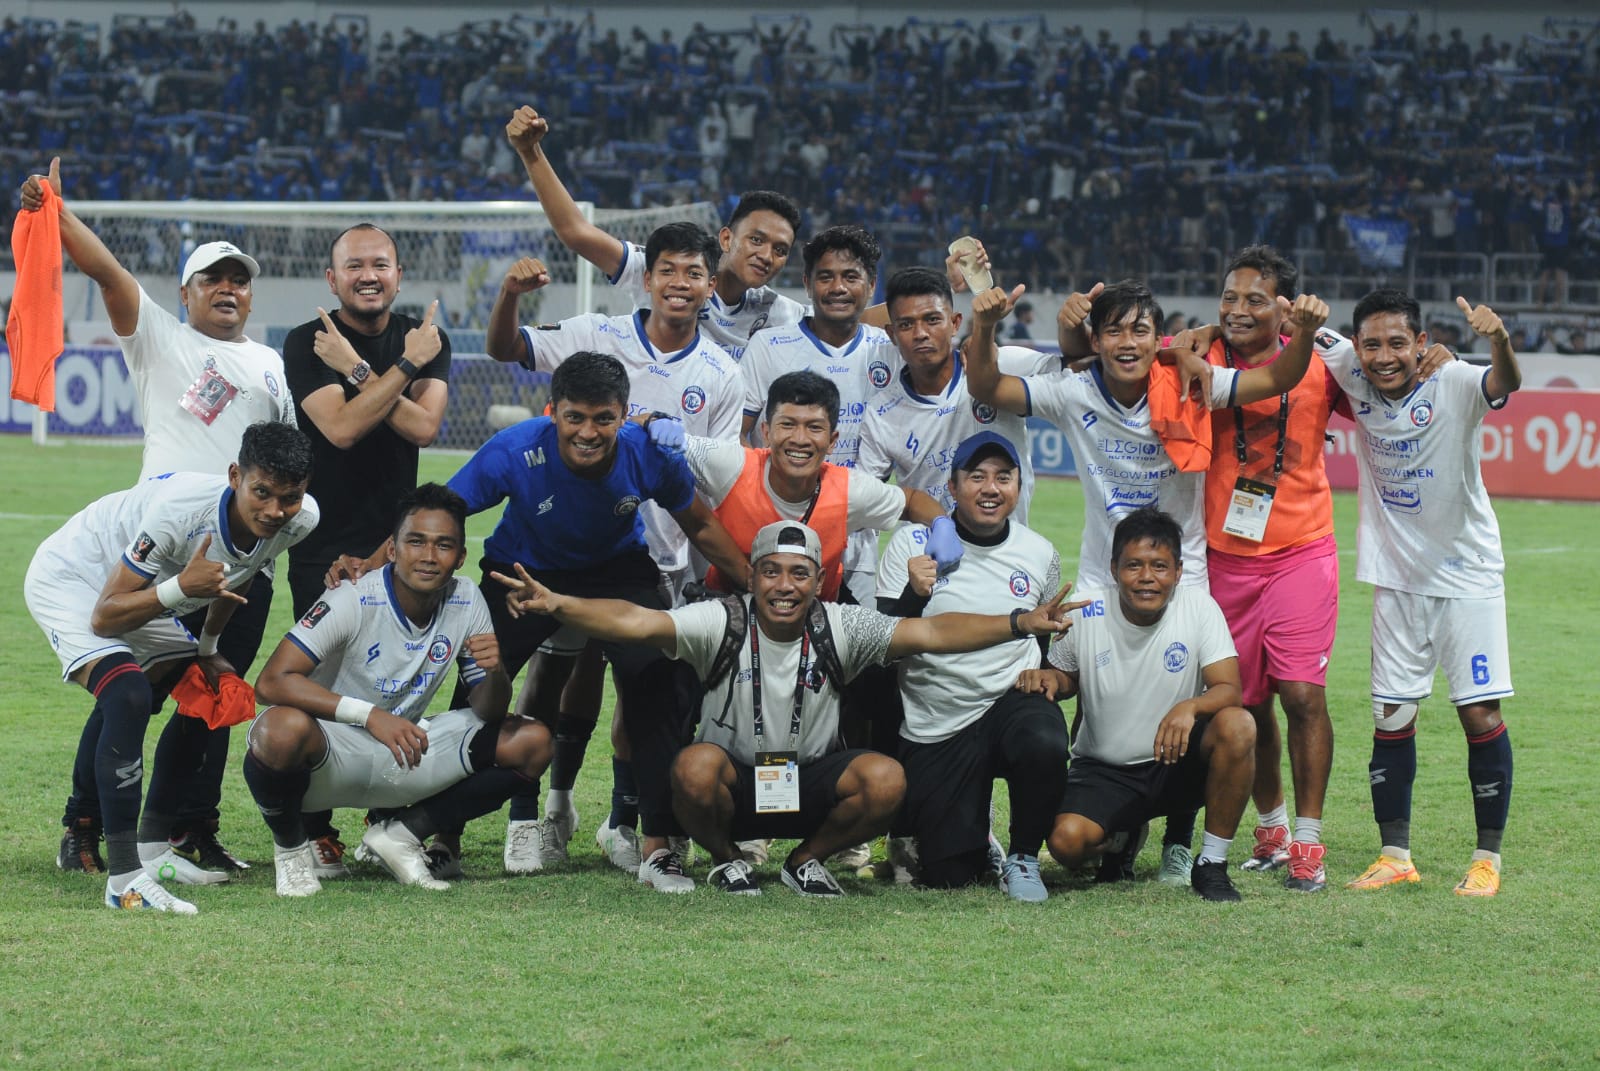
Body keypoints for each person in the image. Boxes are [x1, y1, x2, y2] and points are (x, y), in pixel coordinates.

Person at [495, 520, 1081, 896]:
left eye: (799, 573)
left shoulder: (840, 625)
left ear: (818, 580)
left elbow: (931, 633)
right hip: (737, 789)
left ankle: (806, 861)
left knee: (885, 778)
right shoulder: (721, 619)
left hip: (808, 788)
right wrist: (559, 603)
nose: (784, 585)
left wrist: (1017, 623)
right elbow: (637, 620)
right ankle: (727, 860)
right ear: (750, 576)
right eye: (770, 571)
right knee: (692, 767)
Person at [966, 278, 1325, 883]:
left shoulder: (1188, 382)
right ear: (1096, 340)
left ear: (1155, 337)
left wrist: (1307, 333)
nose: (1127, 342)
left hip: (1181, 571)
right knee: (1093, 693)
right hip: (1101, 574)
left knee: (1189, 698)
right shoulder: (1072, 390)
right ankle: (1112, 814)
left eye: (1139, 330)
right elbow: (985, 385)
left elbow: (1277, 379)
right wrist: (983, 326)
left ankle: (1181, 839)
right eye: (1113, 330)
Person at [21, 157, 299, 873]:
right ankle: (84, 825)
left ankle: (186, 828)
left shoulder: (270, 364)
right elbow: (110, 274)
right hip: (166, 550)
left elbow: (288, 460)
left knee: (215, 697)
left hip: (245, 556)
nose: (229, 289)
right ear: (186, 293)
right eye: (214, 278)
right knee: (134, 693)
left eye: (239, 278)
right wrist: (58, 211)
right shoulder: (162, 341)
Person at [402, 352, 749, 891]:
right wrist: (373, 558)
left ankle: (659, 846)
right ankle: (442, 837)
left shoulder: (646, 453)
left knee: (656, 681)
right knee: (477, 689)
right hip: (522, 570)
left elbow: (700, 526)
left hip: (617, 573)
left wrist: (753, 579)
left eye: (603, 418)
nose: (589, 432)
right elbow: (441, 513)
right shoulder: (515, 449)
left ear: (624, 414)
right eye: (575, 418)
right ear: (553, 411)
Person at [484, 221, 742, 872]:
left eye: (694, 274)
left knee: (642, 689)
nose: (680, 284)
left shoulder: (720, 372)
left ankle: (624, 821)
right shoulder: (596, 334)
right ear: (646, 278)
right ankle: (547, 810)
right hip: (568, 546)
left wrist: (672, 446)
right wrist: (512, 294)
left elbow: (718, 478)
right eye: (669, 271)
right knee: (556, 671)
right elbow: (508, 347)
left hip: (657, 558)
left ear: (712, 286)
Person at [24, 422, 317, 912]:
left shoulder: (301, 519)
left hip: (144, 592)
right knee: (129, 694)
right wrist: (182, 587)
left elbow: (235, 576)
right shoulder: (180, 516)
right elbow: (104, 614)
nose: (274, 510)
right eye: (261, 493)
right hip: (76, 578)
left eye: (288, 497)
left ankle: (154, 848)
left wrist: (207, 651)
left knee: (208, 692)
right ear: (234, 477)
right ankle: (123, 880)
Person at [244, 484, 552, 896]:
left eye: (443, 545)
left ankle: (403, 833)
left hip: (403, 753)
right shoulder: (353, 595)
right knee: (276, 731)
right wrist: (370, 716)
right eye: (416, 542)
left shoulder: (466, 598)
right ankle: (292, 852)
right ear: (392, 549)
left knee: (532, 740)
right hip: (330, 757)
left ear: (460, 557)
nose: (428, 556)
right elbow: (270, 682)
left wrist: (495, 673)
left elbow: (488, 710)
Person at [1338, 290, 1521, 897]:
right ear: (1357, 346)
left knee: (1479, 713)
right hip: (1395, 581)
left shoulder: (1455, 381)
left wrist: (1497, 338)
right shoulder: (1350, 371)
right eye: (1372, 344)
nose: (1384, 356)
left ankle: (1487, 859)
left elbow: (1505, 381)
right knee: (1391, 716)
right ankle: (1395, 855)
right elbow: (1288, 324)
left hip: (1467, 578)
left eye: (1397, 343)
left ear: (1422, 344)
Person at [1020, 508, 1255, 902]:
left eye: (1160, 566)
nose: (1147, 577)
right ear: (1113, 569)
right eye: (1133, 565)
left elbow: (1229, 690)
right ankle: (1120, 840)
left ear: (1179, 571)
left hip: (1174, 761)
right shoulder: (1087, 608)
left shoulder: (1199, 606)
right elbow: (1067, 680)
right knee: (1067, 845)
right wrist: (1049, 678)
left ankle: (1211, 864)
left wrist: (1190, 707)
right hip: (1105, 770)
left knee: (1238, 725)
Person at [877, 433, 1068, 901]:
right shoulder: (910, 545)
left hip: (1006, 700)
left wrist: (1043, 675)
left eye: (1004, 477)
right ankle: (975, 839)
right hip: (936, 717)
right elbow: (881, 648)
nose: (990, 488)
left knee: (1043, 736)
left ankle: (1023, 857)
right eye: (976, 476)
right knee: (948, 874)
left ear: (1019, 487)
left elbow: (1040, 641)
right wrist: (912, 595)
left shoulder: (1039, 552)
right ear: (953, 485)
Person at [505, 104, 804, 360]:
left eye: (780, 250)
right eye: (756, 240)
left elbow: (845, 315)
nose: (766, 255)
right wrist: (530, 152)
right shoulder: (667, 271)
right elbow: (576, 232)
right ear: (726, 238)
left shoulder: (778, 311)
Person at [281, 223, 450, 618]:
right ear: (332, 279)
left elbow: (424, 428)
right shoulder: (309, 341)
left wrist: (354, 369)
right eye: (354, 266)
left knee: (393, 669)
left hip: (401, 543)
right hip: (320, 546)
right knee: (323, 672)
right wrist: (407, 366)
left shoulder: (424, 336)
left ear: (399, 276)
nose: (369, 276)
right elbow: (342, 429)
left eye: (380, 265)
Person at [738, 223, 898, 602]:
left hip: (856, 537)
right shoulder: (769, 346)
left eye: (850, 277)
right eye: (825, 277)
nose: (838, 288)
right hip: (775, 528)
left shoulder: (889, 352)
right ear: (808, 284)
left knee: (847, 650)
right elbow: (737, 433)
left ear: (871, 285)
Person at [858, 266, 1055, 523]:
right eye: (906, 324)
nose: (921, 334)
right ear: (891, 335)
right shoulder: (882, 412)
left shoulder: (1001, 366)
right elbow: (866, 499)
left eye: (932, 320)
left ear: (955, 323)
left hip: (1004, 556)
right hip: (928, 557)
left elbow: (1071, 370)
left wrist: (1072, 325)